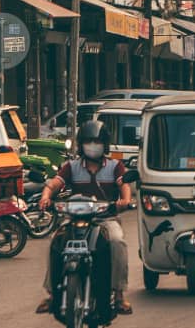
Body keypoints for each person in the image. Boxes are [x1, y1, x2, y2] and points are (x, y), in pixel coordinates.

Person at [36, 120, 133, 315]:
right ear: (81, 144)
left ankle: (119, 293)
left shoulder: (115, 166)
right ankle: (52, 294)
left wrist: (125, 200)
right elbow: (54, 184)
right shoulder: (71, 167)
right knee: (55, 242)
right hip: (74, 218)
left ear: (104, 144)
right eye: (88, 141)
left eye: (96, 141)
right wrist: (46, 197)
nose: (92, 145)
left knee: (117, 242)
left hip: (105, 219)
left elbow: (124, 185)